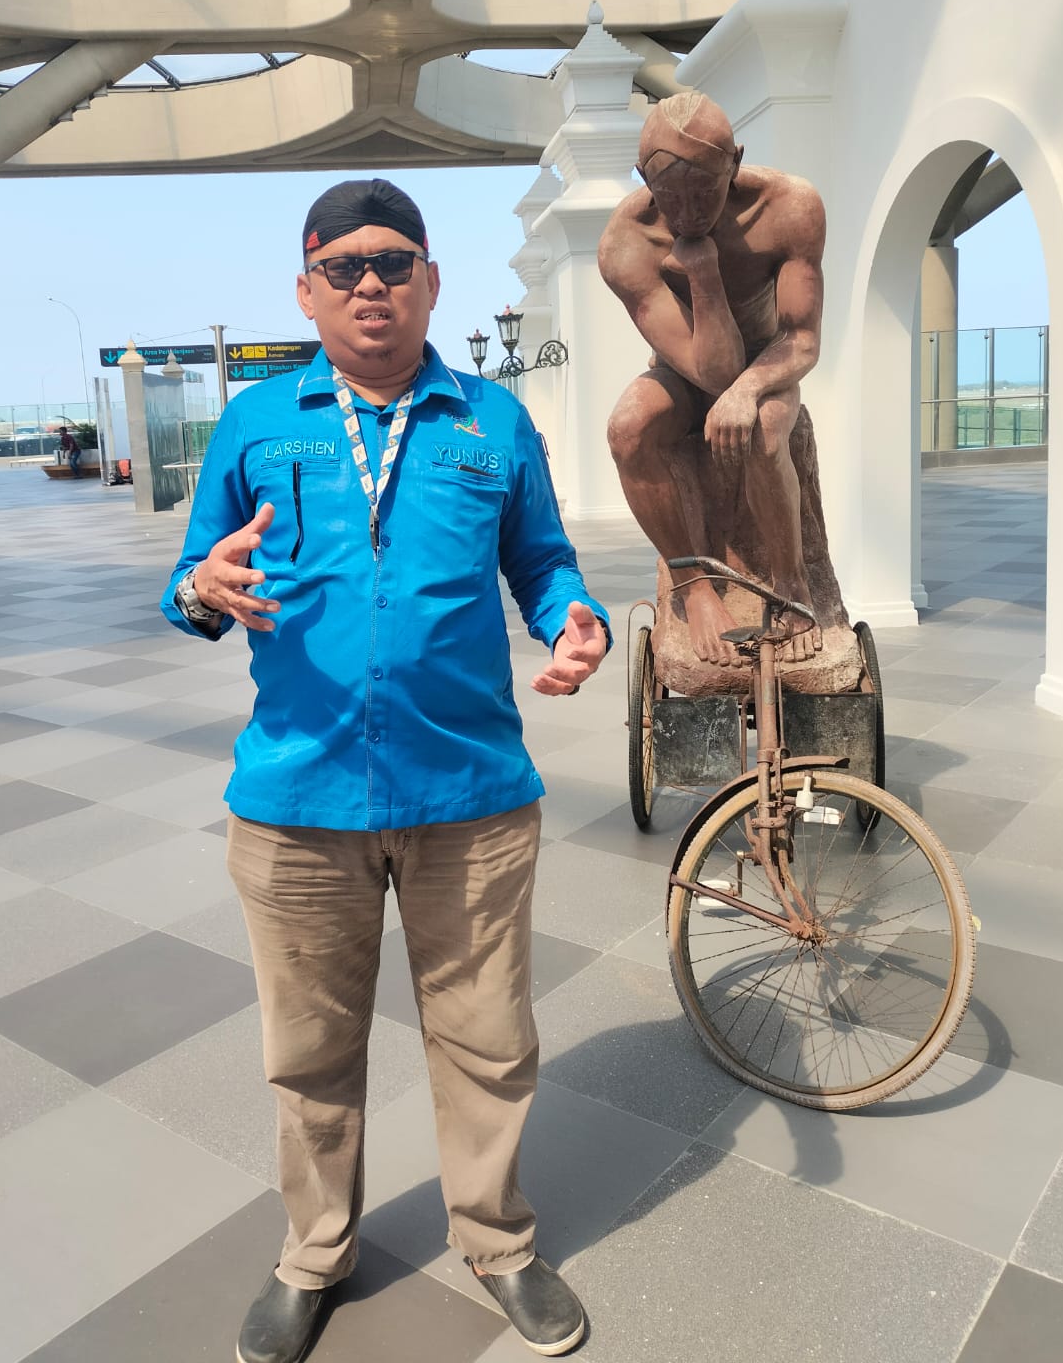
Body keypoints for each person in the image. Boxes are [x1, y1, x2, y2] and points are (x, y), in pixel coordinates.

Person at [162, 178, 609, 1363]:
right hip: (298, 801)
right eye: (345, 265)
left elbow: (543, 561)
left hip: (471, 797)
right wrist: (202, 587)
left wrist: (574, 618)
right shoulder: (258, 422)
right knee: (309, 1050)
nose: (372, 283)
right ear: (306, 288)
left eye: (395, 262)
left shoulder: (493, 421)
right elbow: (191, 581)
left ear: (432, 281)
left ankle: (498, 1241)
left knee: (488, 1038)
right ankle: (316, 1252)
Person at [600, 89, 826, 665]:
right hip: (683, 372)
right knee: (628, 428)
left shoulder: (789, 207)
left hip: (766, 365)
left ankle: (792, 586)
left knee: (764, 429)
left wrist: (748, 390)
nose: (688, 213)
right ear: (643, 180)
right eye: (670, 197)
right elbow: (709, 369)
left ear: (735, 162)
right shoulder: (626, 243)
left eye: (704, 191)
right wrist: (702, 273)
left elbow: (801, 338)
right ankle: (695, 587)